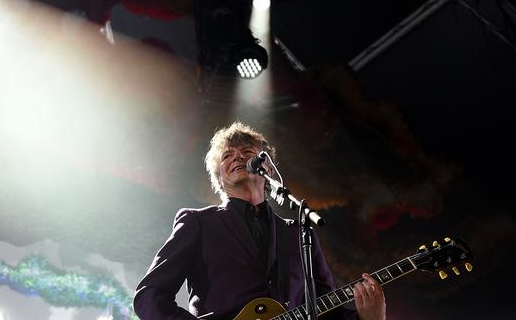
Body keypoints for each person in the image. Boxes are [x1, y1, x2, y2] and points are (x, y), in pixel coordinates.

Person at [133, 122, 386, 320]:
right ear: (218, 178)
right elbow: (149, 296)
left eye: (247, 152)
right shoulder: (198, 223)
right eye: (227, 155)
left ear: (266, 169)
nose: (238, 157)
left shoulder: (299, 233)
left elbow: (326, 311)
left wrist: (368, 318)